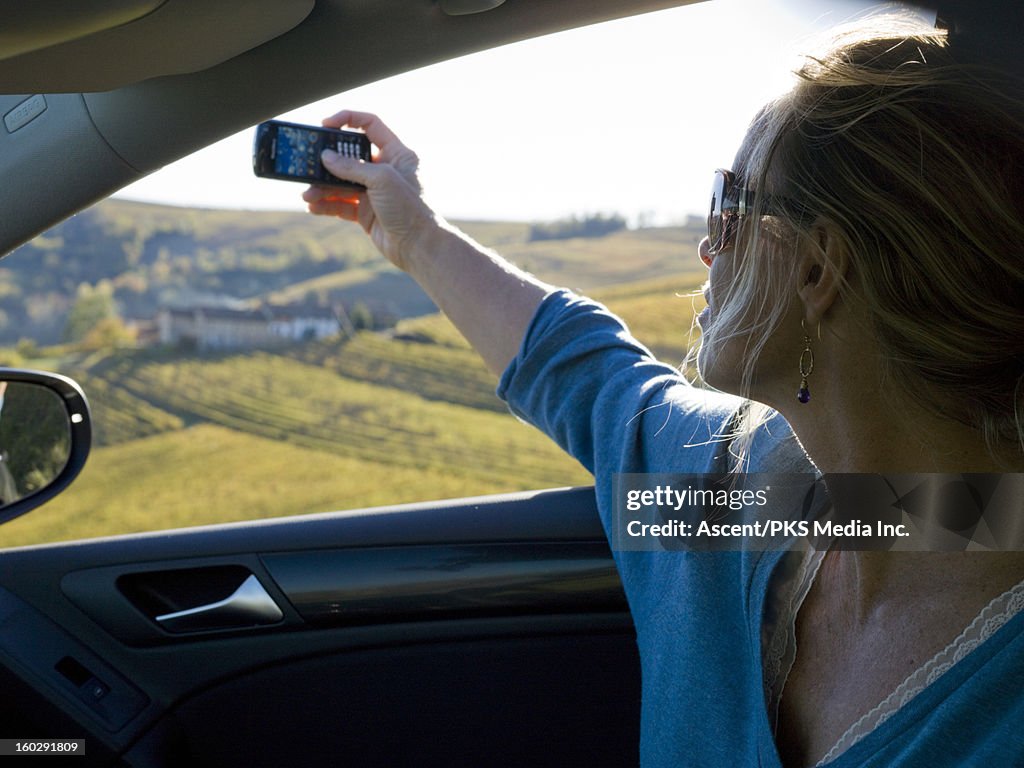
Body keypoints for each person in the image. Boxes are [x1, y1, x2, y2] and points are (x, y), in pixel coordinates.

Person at [303, 14, 1024, 767]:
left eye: (730, 201)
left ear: (818, 270)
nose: (707, 245)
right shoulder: (747, 499)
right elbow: (585, 374)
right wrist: (414, 232)